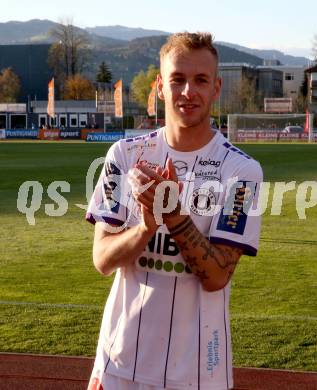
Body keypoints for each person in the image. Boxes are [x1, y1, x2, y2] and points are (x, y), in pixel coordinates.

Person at [86, 32, 263, 390]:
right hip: (119, 362)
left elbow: (216, 277)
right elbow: (102, 260)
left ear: (216, 88)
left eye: (200, 80)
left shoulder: (241, 171)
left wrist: (176, 217)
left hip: (198, 372)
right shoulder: (123, 155)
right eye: (177, 79)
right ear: (160, 87)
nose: (188, 91)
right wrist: (145, 228)